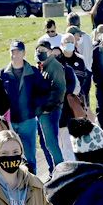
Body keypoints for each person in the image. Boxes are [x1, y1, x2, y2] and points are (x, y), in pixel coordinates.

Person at [0, 40, 49, 174]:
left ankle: (33, 182)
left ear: (24, 53)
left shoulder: (33, 72)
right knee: (9, 155)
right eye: (12, 52)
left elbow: (44, 91)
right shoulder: (2, 73)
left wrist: (34, 105)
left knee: (30, 155)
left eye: (18, 52)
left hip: (28, 120)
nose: (15, 55)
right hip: (10, 121)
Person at [57, 32, 90, 160]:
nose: (69, 44)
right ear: (61, 44)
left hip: (77, 104)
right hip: (62, 106)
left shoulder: (80, 60)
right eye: (66, 42)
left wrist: (84, 103)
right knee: (63, 139)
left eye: (71, 42)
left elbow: (86, 81)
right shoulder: (58, 61)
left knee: (78, 136)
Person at [34, 41, 66, 174]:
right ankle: (55, 170)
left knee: (51, 143)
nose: (40, 53)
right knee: (46, 143)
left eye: (43, 50)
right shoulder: (42, 66)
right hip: (43, 111)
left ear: (50, 51)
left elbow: (59, 89)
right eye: (38, 50)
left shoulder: (54, 66)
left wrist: (47, 108)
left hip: (50, 110)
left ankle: (61, 171)